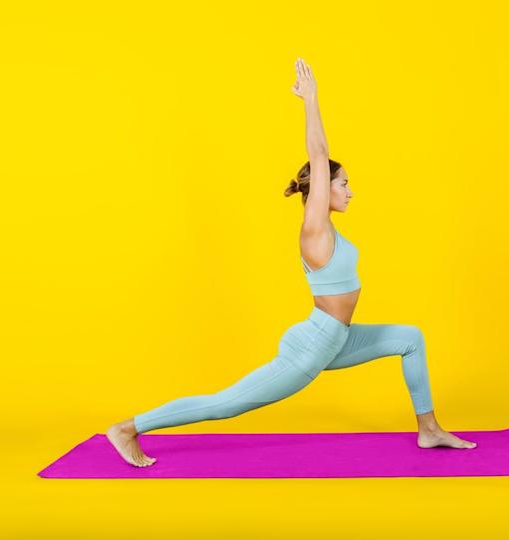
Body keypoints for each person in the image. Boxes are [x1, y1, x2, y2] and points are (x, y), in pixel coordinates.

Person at [106, 58, 476, 467]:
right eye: (344, 183)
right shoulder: (314, 227)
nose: (350, 191)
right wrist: (311, 100)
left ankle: (429, 429)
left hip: (335, 338)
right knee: (228, 404)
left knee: (411, 338)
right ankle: (129, 428)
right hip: (314, 346)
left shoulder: (330, 230)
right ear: (322, 188)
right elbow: (319, 155)